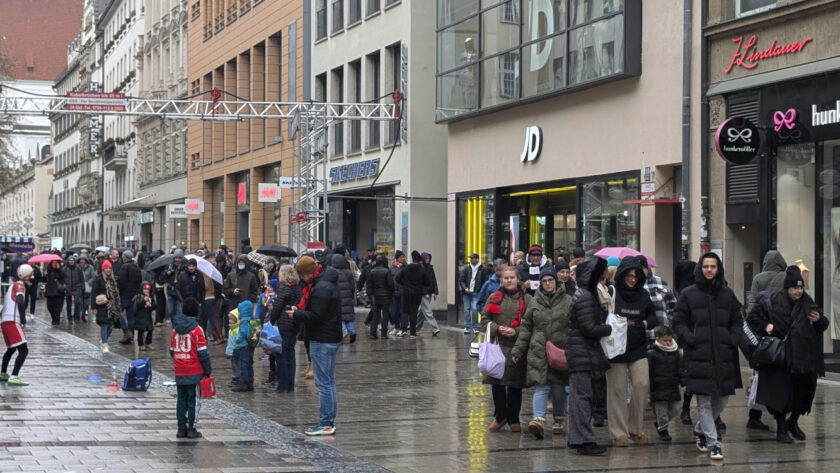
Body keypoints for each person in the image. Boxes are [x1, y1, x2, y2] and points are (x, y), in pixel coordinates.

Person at [673, 252, 743, 462]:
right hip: (698, 355)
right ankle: (714, 444)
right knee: (703, 402)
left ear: (718, 269)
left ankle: (700, 428)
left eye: (713, 266)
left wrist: (732, 338)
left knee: (722, 400)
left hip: (723, 355)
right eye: (706, 267)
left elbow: (737, 320)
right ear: (700, 269)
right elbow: (678, 321)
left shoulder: (727, 294)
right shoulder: (688, 294)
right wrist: (689, 337)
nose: (709, 270)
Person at [747, 266, 829, 443]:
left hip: (804, 357)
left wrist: (819, 320)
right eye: (795, 288)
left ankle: (793, 422)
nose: (799, 291)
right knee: (781, 395)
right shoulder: (773, 302)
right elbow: (752, 318)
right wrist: (766, 326)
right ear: (787, 288)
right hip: (782, 357)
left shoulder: (808, 302)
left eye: (801, 288)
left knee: (804, 393)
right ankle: (781, 430)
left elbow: (823, 325)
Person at [511, 267, 571, 439]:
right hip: (539, 350)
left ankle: (559, 419)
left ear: (556, 281)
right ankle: (538, 420)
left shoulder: (568, 301)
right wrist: (518, 350)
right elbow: (526, 328)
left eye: (550, 280)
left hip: (560, 349)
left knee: (559, 386)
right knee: (541, 385)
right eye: (544, 281)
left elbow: (574, 326)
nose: (547, 284)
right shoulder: (534, 302)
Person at [286, 256, 343, 436]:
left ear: (307, 273)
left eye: (302, 275)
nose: (301, 279)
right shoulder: (327, 283)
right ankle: (328, 421)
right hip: (331, 337)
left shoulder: (320, 288)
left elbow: (316, 316)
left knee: (324, 383)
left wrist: (296, 315)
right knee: (329, 381)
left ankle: (326, 423)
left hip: (322, 339)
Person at [606, 256, 658, 447]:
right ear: (621, 275)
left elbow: (654, 315)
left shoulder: (644, 295)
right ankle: (619, 432)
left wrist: (645, 323)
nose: (632, 280)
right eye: (629, 276)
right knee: (617, 390)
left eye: (636, 276)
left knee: (642, 384)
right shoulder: (612, 292)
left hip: (638, 347)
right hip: (616, 348)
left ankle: (635, 428)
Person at [566, 256, 612, 456]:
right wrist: (609, 328)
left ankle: (579, 438)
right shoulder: (585, 296)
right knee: (582, 397)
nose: (605, 275)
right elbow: (589, 328)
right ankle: (583, 440)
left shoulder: (584, 294)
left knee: (581, 397)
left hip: (582, 352)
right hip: (581, 353)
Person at [481, 267, 530, 433]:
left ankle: (514, 418)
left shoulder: (528, 299)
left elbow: (531, 323)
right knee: (497, 382)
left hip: (517, 346)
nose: (509, 280)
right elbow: (484, 319)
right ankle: (500, 416)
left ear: (518, 279)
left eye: (512, 277)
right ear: (501, 281)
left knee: (516, 384)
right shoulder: (494, 298)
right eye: (506, 278)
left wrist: (516, 331)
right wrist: (497, 328)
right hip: (498, 345)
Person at [744, 250, 788, 431]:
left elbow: (752, 303)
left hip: (762, 331)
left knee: (760, 376)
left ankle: (755, 415)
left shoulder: (758, 278)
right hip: (780, 331)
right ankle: (778, 416)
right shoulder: (785, 276)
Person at [169, 297, 212, 439]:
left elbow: (172, 351)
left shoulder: (175, 330)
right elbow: (203, 353)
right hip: (194, 370)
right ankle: (192, 428)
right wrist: (207, 370)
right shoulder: (197, 329)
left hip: (179, 369)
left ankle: (181, 428)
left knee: (181, 399)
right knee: (193, 400)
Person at [269, 265, 303, 392]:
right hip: (294, 325)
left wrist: (271, 321)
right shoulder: (297, 288)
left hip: (283, 325)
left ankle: (283, 385)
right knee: (290, 354)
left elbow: (277, 307)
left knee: (281, 355)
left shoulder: (283, 289)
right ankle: (290, 385)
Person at [647, 326, 684, 442]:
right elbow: (649, 372)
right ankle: (663, 429)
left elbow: (681, 369)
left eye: (669, 340)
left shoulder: (675, 353)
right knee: (661, 412)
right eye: (665, 340)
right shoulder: (651, 353)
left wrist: (684, 383)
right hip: (658, 388)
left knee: (676, 409)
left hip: (673, 386)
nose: (668, 343)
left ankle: (660, 423)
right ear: (657, 339)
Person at [674, 259, 698, 425]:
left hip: (687, 337)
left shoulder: (682, 289)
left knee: (689, 374)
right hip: (698, 335)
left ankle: (686, 410)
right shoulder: (694, 288)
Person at [1, 264, 33, 385]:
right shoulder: (19, 285)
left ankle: (3, 373)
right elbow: (20, 301)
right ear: (26, 276)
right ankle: (14, 376)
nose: (31, 278)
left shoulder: (12, 286)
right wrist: (23, 320)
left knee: (11, 349)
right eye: (30, 276)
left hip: (6, 321)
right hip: (13, 320)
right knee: (24, 349)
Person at [395, 251, 432, 339]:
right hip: (417, 294)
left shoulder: (406, 268)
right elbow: (428, 283)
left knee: (405, 311)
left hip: (406, 293)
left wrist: (404, 284)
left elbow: (397, 278)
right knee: (413, 312)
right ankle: (413, 333)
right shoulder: (422, 270)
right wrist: (421, 286)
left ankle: (403, 330)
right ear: (419, 260)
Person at [638, 255, 676, 340]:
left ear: (647, 268)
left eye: (642, 267)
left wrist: (669, 325)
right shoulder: (631, 285)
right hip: (642, 339)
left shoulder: (660, 282)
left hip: (664, 338)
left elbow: (673, 306)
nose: (640, 270)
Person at [91, 260, 121, 353]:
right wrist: (94, 307)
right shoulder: (99, 279)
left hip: (112, 306)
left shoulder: (113, 279)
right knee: (104, 324)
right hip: (102, 305)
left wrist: (118, 304)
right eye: (106, 268)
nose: (108, 270)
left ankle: (103, 340)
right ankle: (104, 344)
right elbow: (94, 293)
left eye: (109, 268)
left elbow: (116, 293)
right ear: (103, 269)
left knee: (111, 326)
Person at [328, 253, 358, 343]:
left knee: (340, 317)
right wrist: (351, 295)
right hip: (347, 297)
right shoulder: (348, 272)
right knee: (349, 317)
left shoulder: (332, 272)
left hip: (337, 298)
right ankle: (352, 331)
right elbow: (352, 286)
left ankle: (344, 332)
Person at [364, 255, 394, 339]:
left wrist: (372, 293)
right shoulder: (387, 271)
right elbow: (390, 284)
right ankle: (384, 334)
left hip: (376, 296)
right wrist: (392, 291)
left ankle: (373, 333)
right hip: (386, 296)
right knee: (385, 315)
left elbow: (369, 284)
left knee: (376, 315)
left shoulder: (372, 271)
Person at [117, 250, 143, 344]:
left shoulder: (124, 267)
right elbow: (140, 281)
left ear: (124, 258)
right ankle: (130, 335)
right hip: (134, 296)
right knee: (131, 317)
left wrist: (119, 294)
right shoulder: (137, 267)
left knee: (116, 313)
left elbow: (121, 282)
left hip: (125, 295)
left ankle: (126, 331)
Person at [157, 249, 186, 326]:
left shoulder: (185, 266)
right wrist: (167, 273)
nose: (177, 260)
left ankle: (179, 326)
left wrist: (179, 279)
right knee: (171, 311)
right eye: (176, 258)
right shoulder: (170, 265)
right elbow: (161, 278)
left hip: (180, 293)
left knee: (179, 311)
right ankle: (175, 327)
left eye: (179, 258)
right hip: (171, 292)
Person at [459, 253, 485, 334]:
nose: (471, 260)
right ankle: (467, 327)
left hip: (476, 293)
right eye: (471, 258)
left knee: (474, 309)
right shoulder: (466, 269)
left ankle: (475, 327)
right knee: (467, 310)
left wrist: (481, 292)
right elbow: (461, 280)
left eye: (473, 258)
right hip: (466, 293)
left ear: (477, 259)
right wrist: (465, 288)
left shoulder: (482, 270)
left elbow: (484, 281)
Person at [416, 252, 441, 336]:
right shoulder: (420, 268)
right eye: (426, 258)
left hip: (429, 293)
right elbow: (419, 283)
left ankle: (415, 328)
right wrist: (425, 293)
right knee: (427, 311)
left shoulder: (430, 268)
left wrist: (435, 292)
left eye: (428, 258)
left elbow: (434, 280)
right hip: (423, 294)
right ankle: (435, 328)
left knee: (422, 312)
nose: (427, 260)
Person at [133, 282, 156, 351]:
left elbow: (155, 306)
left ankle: (148, 342)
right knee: (140, 331)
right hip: (140, 317)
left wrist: (151, 306)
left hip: (148, 317)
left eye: (148, 289)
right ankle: (141, 344)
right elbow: (138, 304)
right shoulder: (139, 296)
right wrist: (144, 300)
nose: (146, 290)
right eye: (145, 289)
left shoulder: (151, 297)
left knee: (150, 330)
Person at [63, 255, 85, 323]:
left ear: (74, 261)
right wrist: (64, 286)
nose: (71, 262)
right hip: (68, 287)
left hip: (77, 287)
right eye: (70, 260)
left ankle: (76, 316)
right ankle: (69, 318)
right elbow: (62, 279)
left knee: (77, 302)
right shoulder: (65, 269)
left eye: (72, 260)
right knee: (68, 304)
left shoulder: (78, 268)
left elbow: (82, 278)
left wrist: (82, 286)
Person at [44, 260, 66, 326]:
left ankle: (56, 320)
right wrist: (45, 275)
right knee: (49, 306)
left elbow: (63, 277)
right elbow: (43, 280)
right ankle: (54, 318)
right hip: (50, 292)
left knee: (58, 307)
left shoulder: (61, 270)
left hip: (59, 292)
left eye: (56, 263)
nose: (54, 264)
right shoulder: (48, 271)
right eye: (53, 263)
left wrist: (59, 269)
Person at [389, 251, 406, 333]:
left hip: (403, 292)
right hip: (393, 292)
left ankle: (402, 329)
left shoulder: (406, 267)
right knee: (393, 312)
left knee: (402, 311)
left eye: (404, 257)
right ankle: (396, 326)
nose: (404, 258)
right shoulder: (391, 268)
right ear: (398, 258)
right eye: (402, 257)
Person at [78, 256, 94, 321]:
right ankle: (80, 314)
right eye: (81, 260)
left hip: (87, 286)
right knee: (80, 300)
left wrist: (88, 282)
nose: (82, 261)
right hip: (79, 286)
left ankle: (85, 312)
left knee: (86, 301)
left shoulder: (90, 267)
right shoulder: (77, 267)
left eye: (83, 260)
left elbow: (93, 277)